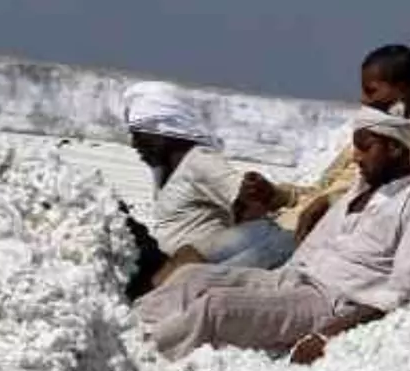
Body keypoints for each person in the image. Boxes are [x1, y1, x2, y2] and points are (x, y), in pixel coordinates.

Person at [132, 107, 410, 365]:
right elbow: (309, 250)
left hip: (327, 303)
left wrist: (327, 334)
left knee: (216, 306)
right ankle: (126, 328)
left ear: (393, 148)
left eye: (365, 147)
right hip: (293, 278)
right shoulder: (356, 194)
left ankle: (141, 358)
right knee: (192, 277)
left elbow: (398, 294)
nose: (357, 158)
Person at [243, 43, 410, 246]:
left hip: (307, 239)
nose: (363, 99)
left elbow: (398, 199)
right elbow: (320, 190)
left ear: (403, 90)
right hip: (281, 224)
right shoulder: (369, 132)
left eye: (371, 91)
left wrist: (330, 203)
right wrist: (276, 194)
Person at [120, 81, 296, 301]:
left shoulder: (200, 161)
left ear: (163, 130)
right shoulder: (162, 170)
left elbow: (247, 203)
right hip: (165, 263)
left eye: (140, 135)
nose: (135, 144)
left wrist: (254, 195)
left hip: (192, 265)